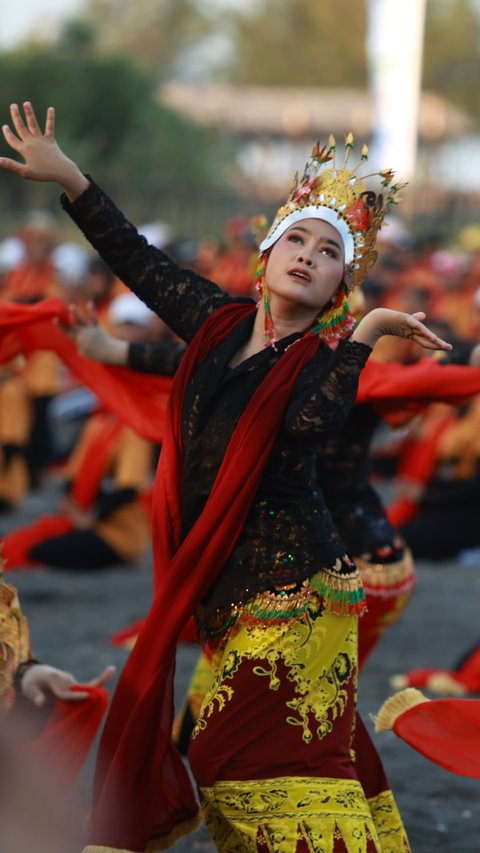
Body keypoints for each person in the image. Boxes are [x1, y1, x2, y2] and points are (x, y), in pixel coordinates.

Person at [0, 102, 452, 853]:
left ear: (342, 284)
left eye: (329, 252)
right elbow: (138, 259)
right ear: (268, 254)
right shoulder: (214, 324)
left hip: (299, 595)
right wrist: (72, 178)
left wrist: (367, 336)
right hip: (227, 598)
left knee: (234, 764)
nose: (307, 254)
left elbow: (313, 421)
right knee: (254, 762)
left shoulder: (315, 364)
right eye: (296, 239)